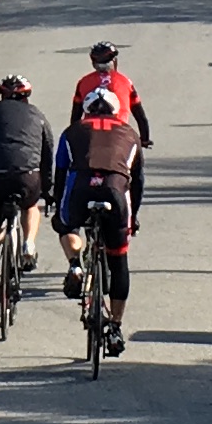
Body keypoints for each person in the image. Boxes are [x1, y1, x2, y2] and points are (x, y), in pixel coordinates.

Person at [53, 73, 147, 350]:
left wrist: (58, 208)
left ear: (86, 111)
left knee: (66, 224)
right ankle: (115, 326)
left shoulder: (72, 131)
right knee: (119, 260)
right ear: (117, 111)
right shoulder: (130, 134)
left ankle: (75, 264)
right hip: (115, 194)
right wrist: (133, 217)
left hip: (81, 191)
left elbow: (60, 174)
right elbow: (138, 182)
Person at [58, 43, 151, 289]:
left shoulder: (83, 82)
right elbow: (139, 113)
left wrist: (75, 134)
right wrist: (144, 137)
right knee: (127, 180)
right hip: (121, 139)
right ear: (115, 61)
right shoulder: (125, 81)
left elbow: (74, 115)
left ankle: (77, 261)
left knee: (75, 197)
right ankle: (127, 223)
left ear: (92, 62)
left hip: (88, 138)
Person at [0, 72, 49, 314]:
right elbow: (47, 152)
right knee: (30, 205)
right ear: (26, 97)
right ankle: (28, 244)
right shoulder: (36, 115)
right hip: (27, 176)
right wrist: (49, 188)